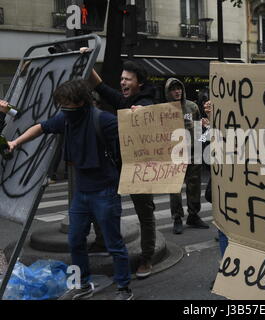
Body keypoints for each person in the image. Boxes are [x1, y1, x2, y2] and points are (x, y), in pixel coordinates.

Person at [1, 80, 133, 300]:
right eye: (60, 103)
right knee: (75, 240)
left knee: (114, 243)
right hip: (81, 194)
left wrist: (136, 115)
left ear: (81, 101)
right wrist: (16, 142)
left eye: (66, 103)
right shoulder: (66, 118)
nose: (63, 108)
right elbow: (41, 127)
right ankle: (82, 284)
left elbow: (134, 134)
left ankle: (123, 288)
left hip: (105, 191)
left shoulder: (104, 120)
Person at [85, 57, 156, 279]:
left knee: (145, 214)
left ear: (139, 83)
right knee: (102, 204)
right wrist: (87, 59)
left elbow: (147, 111)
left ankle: (146, 258)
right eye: (122, 79)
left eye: (128, 79)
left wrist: (140, 114)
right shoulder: (123, 101)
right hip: (117, 164)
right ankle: (101, 240)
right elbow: (99, 86)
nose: (123, 83)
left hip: (139, 167)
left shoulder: (146, 101)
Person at [165, 78, 209, 234]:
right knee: (175, 190)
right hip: (174, 156)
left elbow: (199, 130)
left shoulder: (192, 107)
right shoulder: (164, 110)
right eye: (173, 89)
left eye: (179, 89)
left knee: (194, 187)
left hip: (193, 153)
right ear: (168, 92)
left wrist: (201, 147)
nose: (177, 91)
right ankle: (177, 218)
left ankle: (193, 215)